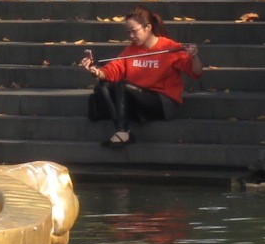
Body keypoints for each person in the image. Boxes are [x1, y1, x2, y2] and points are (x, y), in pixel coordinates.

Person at [81, 8, 203, 146]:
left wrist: (193, 57)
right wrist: (96, 72)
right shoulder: (131, 50)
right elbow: (113, 69)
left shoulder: (169, 47)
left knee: (121, 85)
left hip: (163, 102)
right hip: (139, 101)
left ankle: (122, 131)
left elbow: (196, 72)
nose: (131, 36)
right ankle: (122, 130)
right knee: (103, 86)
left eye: (134, 31)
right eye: (128, 32)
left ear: (148, 28)